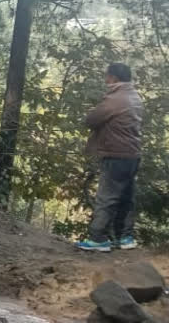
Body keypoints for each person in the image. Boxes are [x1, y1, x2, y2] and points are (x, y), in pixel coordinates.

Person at [76, 63, 143, 252]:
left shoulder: (116, 99)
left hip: (116, 155)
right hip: (132, 154)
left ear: (113, 77)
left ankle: (98, 239)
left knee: (107, 197)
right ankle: (126, 238)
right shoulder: (134, 96)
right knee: (126, 198)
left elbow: (91, 120)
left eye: (107, 75)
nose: (105, 79)